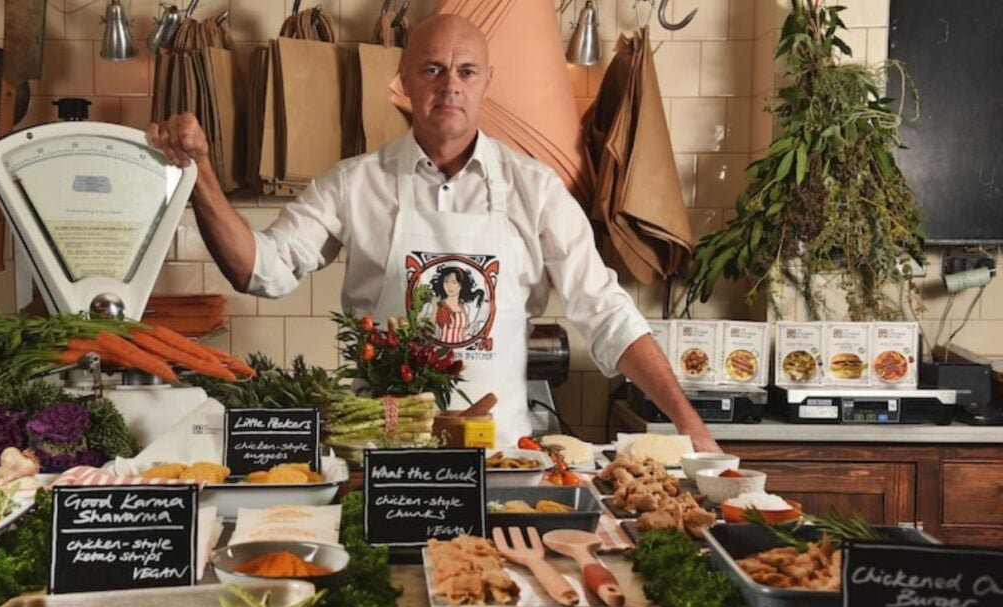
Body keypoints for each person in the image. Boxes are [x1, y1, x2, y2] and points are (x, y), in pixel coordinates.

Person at [147, 13, 720, 452]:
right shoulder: (354, 183)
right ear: (404, 80)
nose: (450, 85)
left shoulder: (535, 189)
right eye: (432, 69)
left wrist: (692, 426)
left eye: (466, 71)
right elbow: (260, 270)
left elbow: (609, 315)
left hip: (498, 457)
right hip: (384, 452)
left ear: (487, 82)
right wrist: (200, 177)